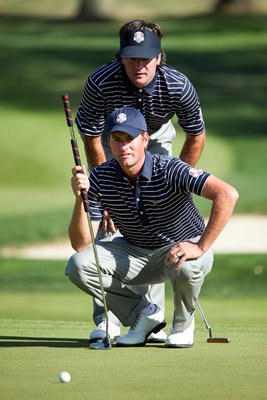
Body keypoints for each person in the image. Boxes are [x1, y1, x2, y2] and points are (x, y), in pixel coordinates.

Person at [75, 19, 207, 343]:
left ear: (159, 57)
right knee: (107, 223)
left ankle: (155, 321)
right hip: (113, 138)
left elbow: (196, 135)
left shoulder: (177, 84)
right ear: (121, 57)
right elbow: (92, 137)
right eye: (131, 57)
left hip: (157, 137)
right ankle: (110, 318)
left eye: (146, 58)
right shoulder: (100, 82)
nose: (139, 65)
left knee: (156, 220)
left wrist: (175, 185)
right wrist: (107, 190)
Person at [66, 107, 238, 348]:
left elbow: (227, 194)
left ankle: (182, 325)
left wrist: (200, 246)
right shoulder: (101, 177)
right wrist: (79, 197)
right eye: (117, 139)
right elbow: (82, 244)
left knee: (186, 267)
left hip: (179, 250)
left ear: (145, 139)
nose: (124, 146)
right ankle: (144, 315)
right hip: (136, 253)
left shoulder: (169, 168)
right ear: (110, 143)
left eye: (130, 139)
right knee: (78, 265)